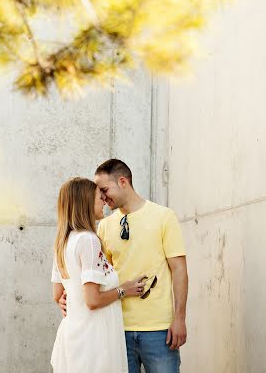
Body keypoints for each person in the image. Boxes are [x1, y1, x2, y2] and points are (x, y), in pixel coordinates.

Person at [95, 159, 188, 373]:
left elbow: (179, 270)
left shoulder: (164, 217)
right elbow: (100, 277)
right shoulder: (105, 226)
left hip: (159, 331)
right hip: (118, 329)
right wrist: (70, 297)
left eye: (105, 189)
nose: (101, 196)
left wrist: (180, 318)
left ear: (123, 181)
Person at [50, 177, 146, 373]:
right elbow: (92, 300)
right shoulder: (88, 241)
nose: (104, 200)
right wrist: (123, 290)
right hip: (94, 340)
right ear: (85, 202)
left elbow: (58, 295)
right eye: (98, 197)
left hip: (74, 336)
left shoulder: (63, 242)